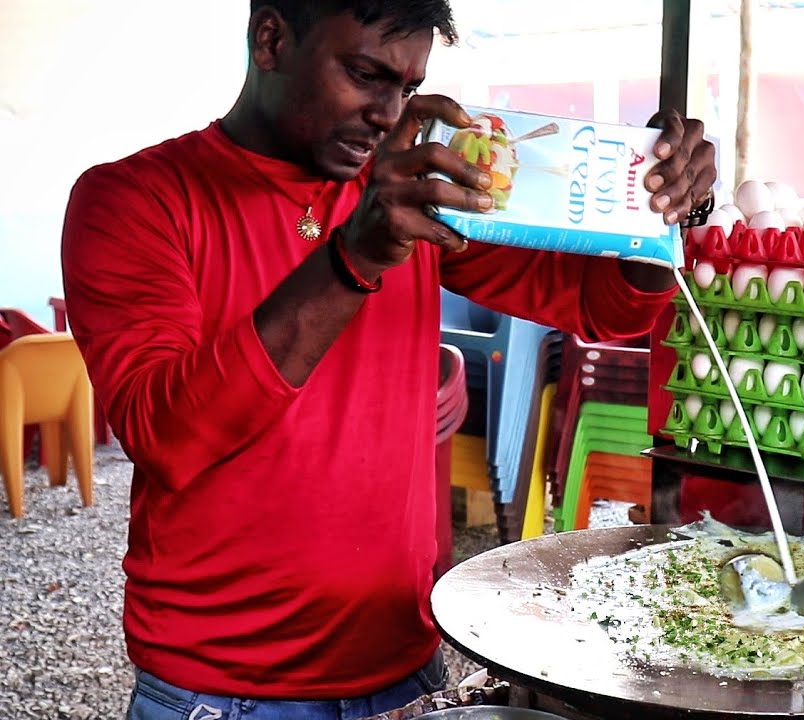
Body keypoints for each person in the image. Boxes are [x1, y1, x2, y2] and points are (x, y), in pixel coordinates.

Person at [59, 2, 716, 718]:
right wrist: (354, 255)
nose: (387, 111)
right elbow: (169, 436)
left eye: (407, 86)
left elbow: (603, 307)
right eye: (366, 74)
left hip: (405, 663)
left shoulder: (406, 194)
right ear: (271, 39)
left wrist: (657, 220)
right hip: (222, 691)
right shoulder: (134, 201)